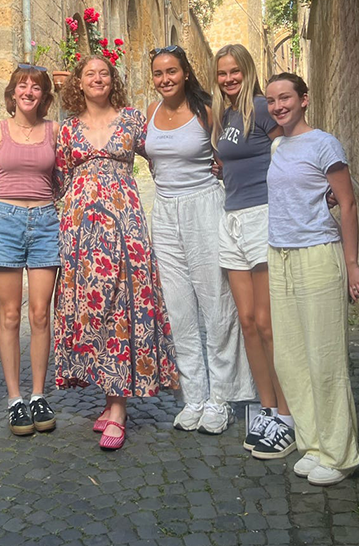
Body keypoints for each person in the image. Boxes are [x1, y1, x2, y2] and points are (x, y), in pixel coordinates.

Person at [55, 55, 178, 451]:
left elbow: (163, 154)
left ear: (113, 81)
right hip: (80, 231)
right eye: (89, 73)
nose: (97, 79)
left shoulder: (132, 121)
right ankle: (109, 401)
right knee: (92, 308)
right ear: (78, 82)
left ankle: (119, 408)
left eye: (104, 73)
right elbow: (58, 178)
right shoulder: (67, 128)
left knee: (124, 305)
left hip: (125, 227)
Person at [145, 46, 256, 433]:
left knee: (216, 303)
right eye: (158, 73)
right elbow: (154, 160)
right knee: (178, 307)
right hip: (165, 211)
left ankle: (221, 398)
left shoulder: (207, 110)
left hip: (205, 207)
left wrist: (223, 168)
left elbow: (228, 149)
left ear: (186, 73)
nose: (165, 79)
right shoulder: (151, 114)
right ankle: (193, 396)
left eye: (172, 71)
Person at [265, 72, 359, 484]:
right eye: (272, 100)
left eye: (285, 97)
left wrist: (353, 263)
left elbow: (347, 204)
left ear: (304, 99)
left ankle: (340, 455)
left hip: (318, 257)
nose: (278, 106)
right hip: (280, 255)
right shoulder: (277, 145)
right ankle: (313, 443)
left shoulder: (325, 144)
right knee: (290, 358)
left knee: (326, 359)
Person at [210, 44, 294, 454]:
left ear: (247, 72)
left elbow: (286, 150)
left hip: (262, 216)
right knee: (246, 320)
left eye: (234, 72)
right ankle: (266, 407)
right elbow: (231, 158)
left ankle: (288, 414)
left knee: (266, 322)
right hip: (232, 219)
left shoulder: (261, 108)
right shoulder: (223, 115)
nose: (228, 79)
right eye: (222, 73)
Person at [0, 65, 60, 437]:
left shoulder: (54, 130)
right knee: (10, 314)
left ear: (44, 95)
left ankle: (39, 394)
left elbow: (65, 176)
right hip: (6, 221)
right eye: (22, 85)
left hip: (46, 221)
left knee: (41, 313)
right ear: (12, 93)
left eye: (36, 87)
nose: (28, 91)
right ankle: (15, 399)